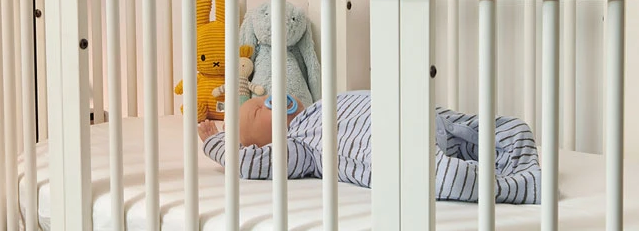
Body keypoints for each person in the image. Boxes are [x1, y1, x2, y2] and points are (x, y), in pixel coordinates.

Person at [198, 90, 541, 204]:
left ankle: (522, 166)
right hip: (397, 148)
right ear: (265, 144)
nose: (266, 101)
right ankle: (515, 186)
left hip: (429, 118)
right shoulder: (300, 145)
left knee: (508, 128)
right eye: (257, 110)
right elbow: (249, 165)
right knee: (439, 176)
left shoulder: (327, 100)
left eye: (262, 97)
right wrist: (216, 142)